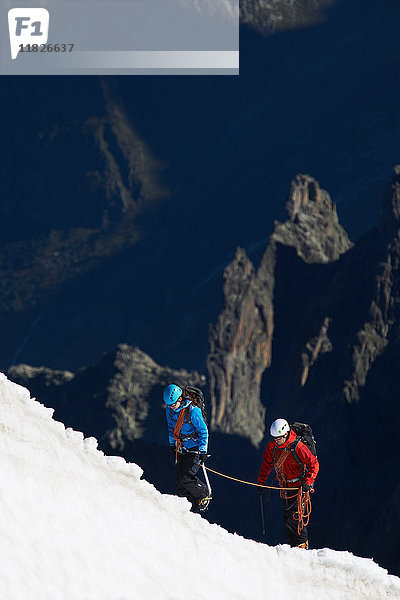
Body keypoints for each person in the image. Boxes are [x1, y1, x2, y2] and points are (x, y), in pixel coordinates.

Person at [257, 418, 319, 549]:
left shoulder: (298, 447)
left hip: (299, 487)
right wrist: (261, 482)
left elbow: (314, 464)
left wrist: (307, 483)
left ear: (286, 434)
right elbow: (266, 464)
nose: (276, 440)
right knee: (288, 520)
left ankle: (302, 546)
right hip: (286, 487)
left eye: (278, 438)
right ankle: (295, 547)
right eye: (274, 438)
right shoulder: (273, 446)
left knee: (295, 518)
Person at [164, 384, 211, 513]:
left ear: (180, 399)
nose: (171, 408)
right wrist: (173, 444)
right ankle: (190, 510)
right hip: (182, 449)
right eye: (169, 405)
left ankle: (204, 494)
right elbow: (171, 429)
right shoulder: (169, 410)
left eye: (173, 404)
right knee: (180, 483)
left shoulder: (193, 410)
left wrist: (203, 451)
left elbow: (203, 431)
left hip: (195, 449)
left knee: (186, 477)